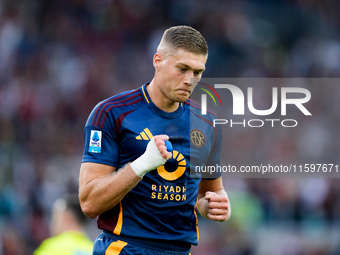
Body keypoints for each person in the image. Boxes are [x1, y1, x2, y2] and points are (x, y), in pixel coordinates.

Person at [79, 25, 230, 255]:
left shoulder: (207, 123)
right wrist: (141, 165)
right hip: (125, 248)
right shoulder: (112, 113)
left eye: (197, 72)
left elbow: (209, 192)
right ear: (158, 60)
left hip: (180, 251)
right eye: (182, 68)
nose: (190, 80)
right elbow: (89, 203)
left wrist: (214, 204)